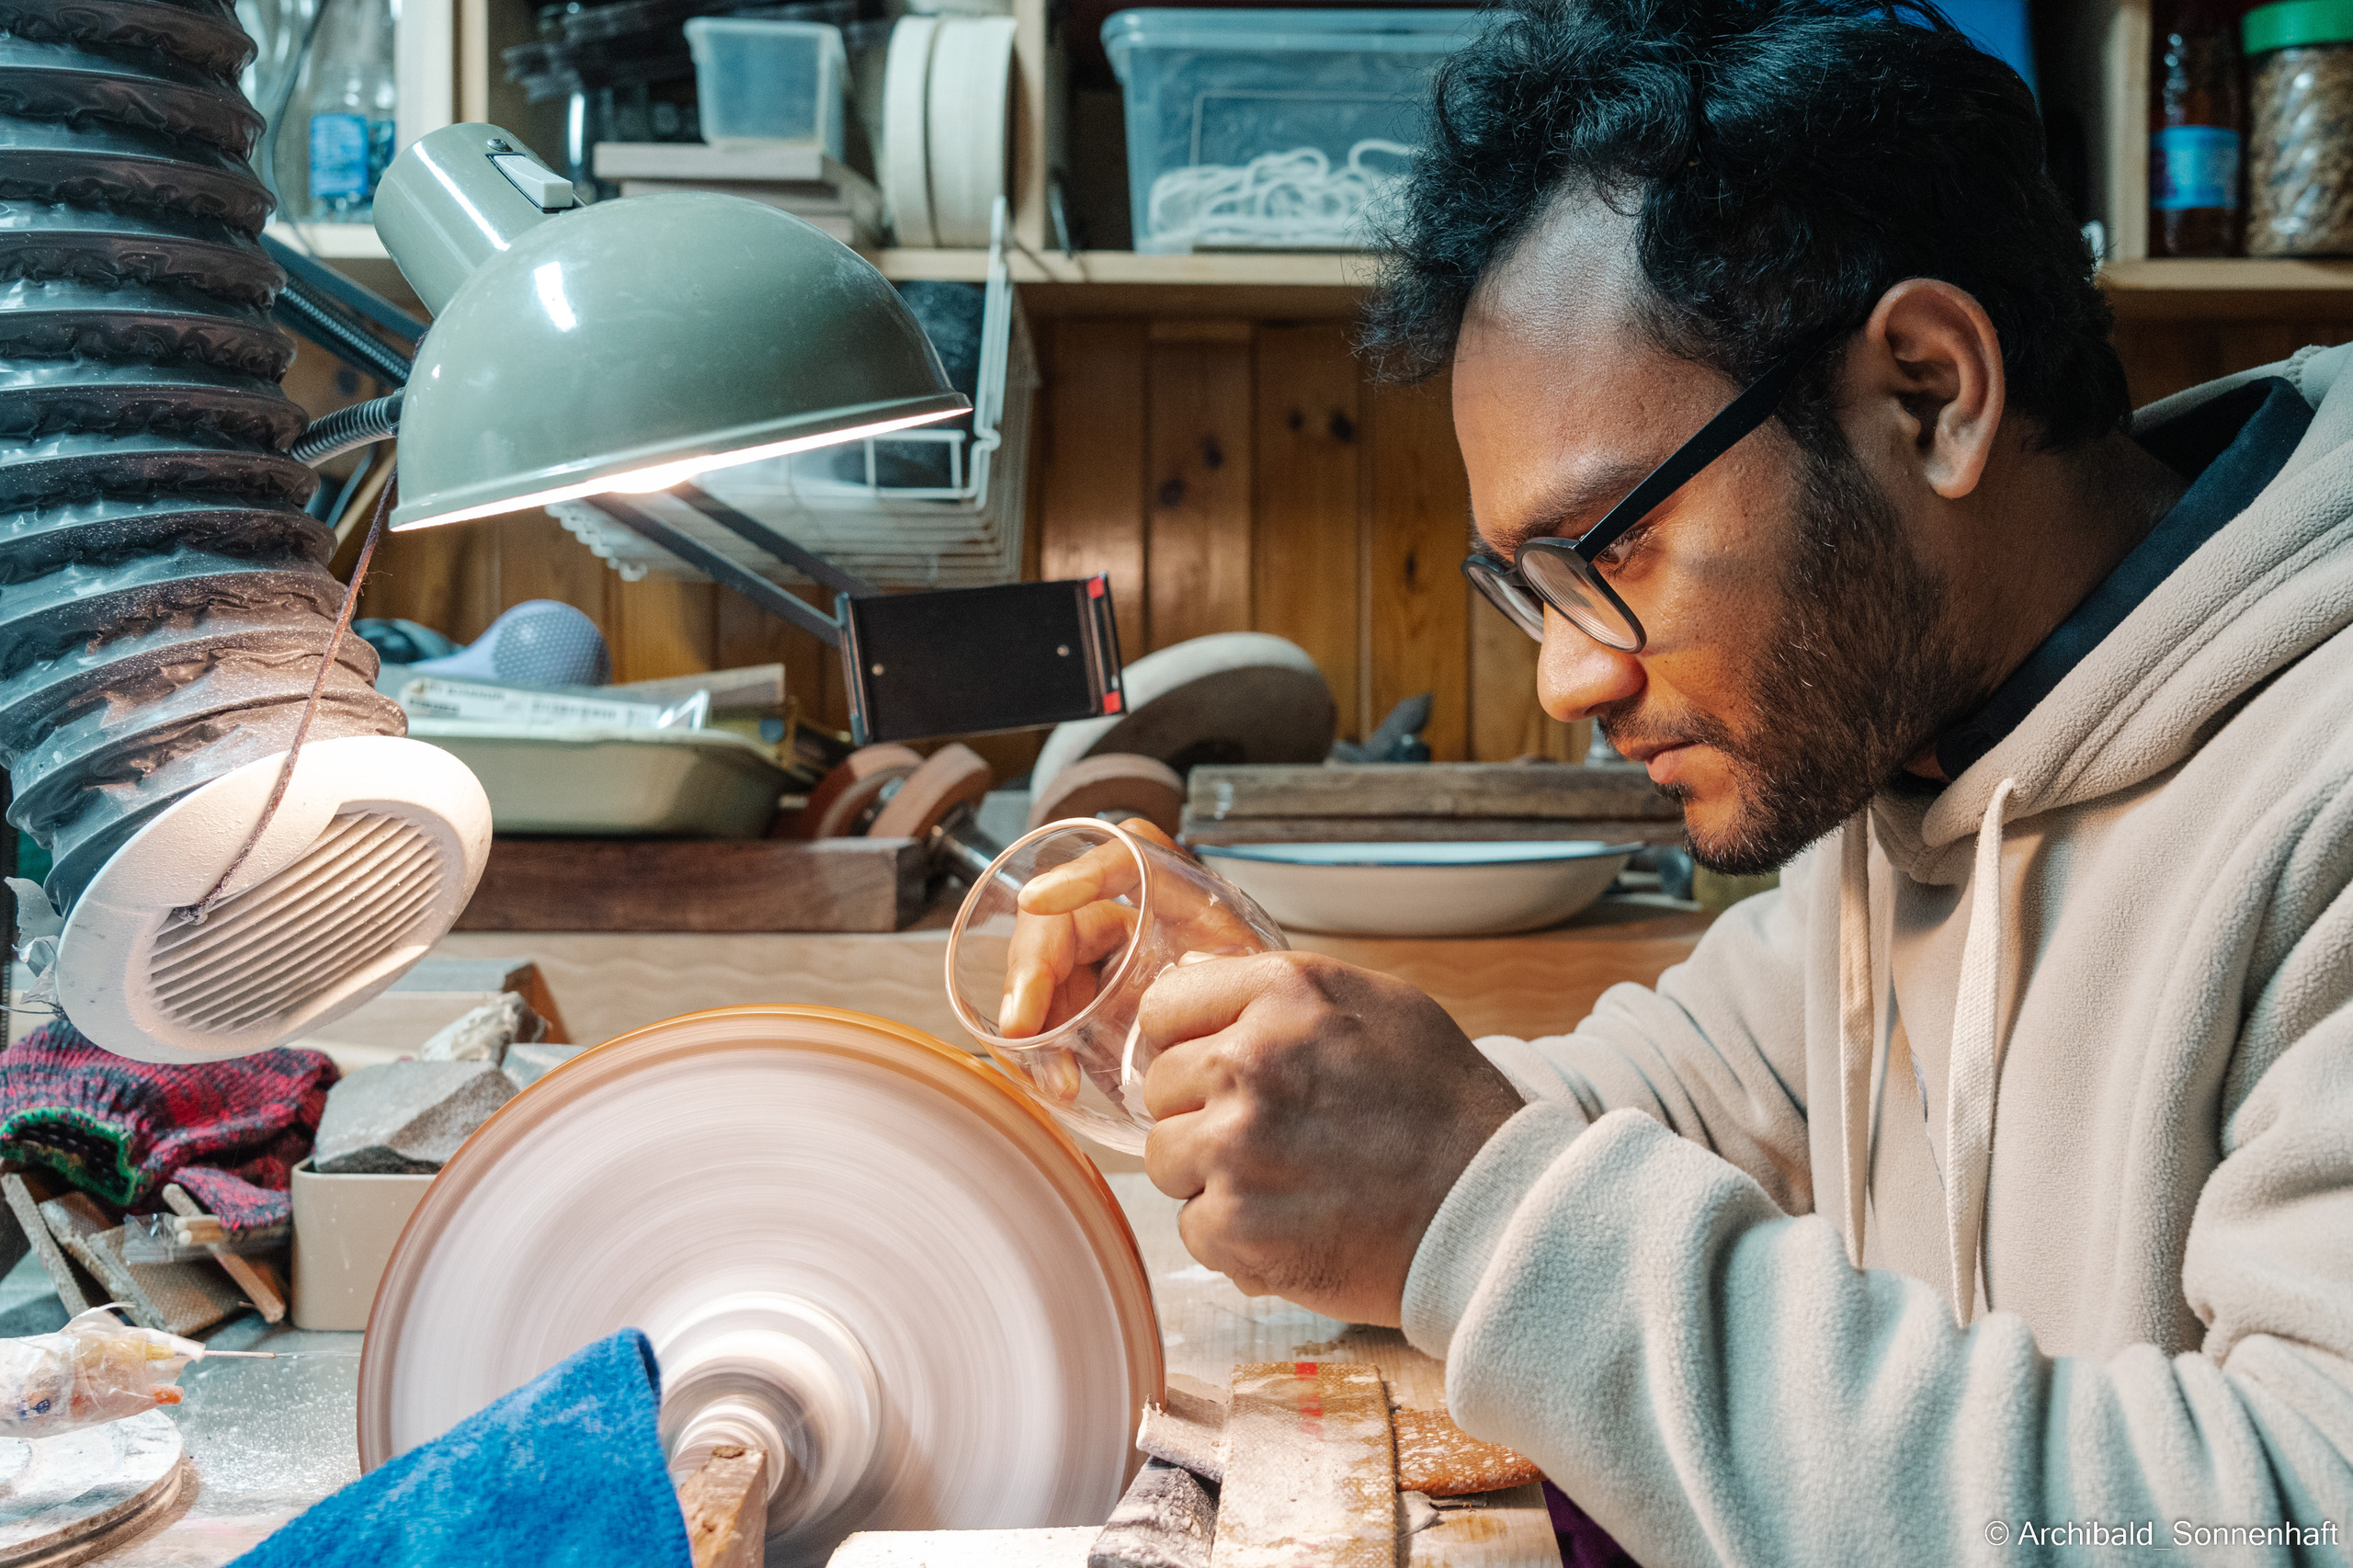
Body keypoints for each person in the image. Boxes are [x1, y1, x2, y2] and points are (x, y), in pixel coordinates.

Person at [1005, 0, 2353, 1556]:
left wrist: (1471, 1204)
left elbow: (2294, 1508)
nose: (1568, 676)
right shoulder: (1917, 748)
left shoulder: (2307, 788)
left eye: (1606, 549)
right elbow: (1670, 1099)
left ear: (1929, 390)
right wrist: (1274, 1041)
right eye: (1526, 585)